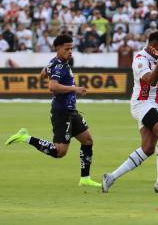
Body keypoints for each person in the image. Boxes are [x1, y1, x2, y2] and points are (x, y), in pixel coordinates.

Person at [5, 34, 101, 188]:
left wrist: (49, 71)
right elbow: (52, 86)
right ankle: (25, 137)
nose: (70, 52)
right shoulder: (59, 66)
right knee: (60, 152)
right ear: (58, 48)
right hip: (61, 112)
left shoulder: (56, 62)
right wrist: (74, 89)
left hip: (71, 110)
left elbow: (42, 74)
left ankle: (85, 178)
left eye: (71, 49)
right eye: (67, 49)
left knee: (87, 140)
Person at [102, 31, 158, 193]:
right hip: (142, 105)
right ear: (154, 46)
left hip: (153, 106)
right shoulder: (140, 60)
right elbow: (151, 80)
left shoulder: (156, 58)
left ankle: (111, 177)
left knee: (148, 148)